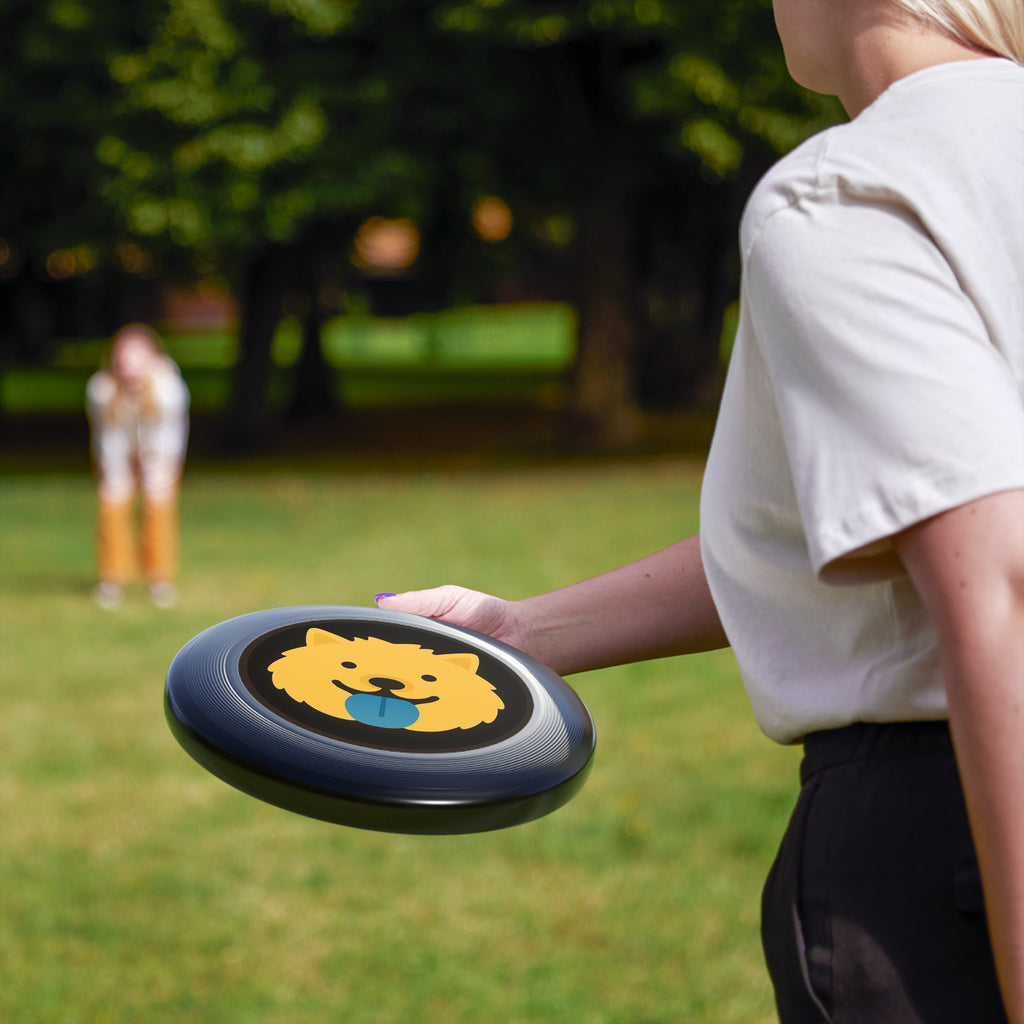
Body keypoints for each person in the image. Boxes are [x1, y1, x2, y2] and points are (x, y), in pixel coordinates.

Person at [374, 1, 1024, 1021]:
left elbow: (999, 583)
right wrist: (523, 631)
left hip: (951, 844)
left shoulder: (852, 191)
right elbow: (872, 521)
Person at [86, 323, 190, 609]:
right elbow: (107, 436)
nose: (129, 367)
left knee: (158, 507)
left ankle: (159, 579)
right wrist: (118, 470)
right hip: (117, 452)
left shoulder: (169, 389)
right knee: (112, 504)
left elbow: (169, 436)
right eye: (123, 359)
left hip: (159, 454)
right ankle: (112, 578)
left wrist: (153, 466)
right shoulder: (101, 389)